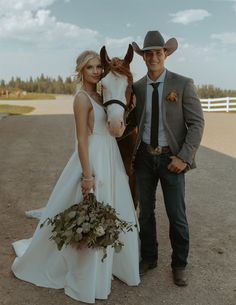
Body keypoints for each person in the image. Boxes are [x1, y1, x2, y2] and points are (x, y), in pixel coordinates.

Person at [11, 50, 140, 303]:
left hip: (109, 155)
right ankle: (88, 273)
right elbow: (81, 139)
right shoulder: (82, 98)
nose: (95, 71)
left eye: (97, 67)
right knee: (92, 210)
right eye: (89, 67)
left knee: (114, 209)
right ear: (81, 70)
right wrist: (88, 175)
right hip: (93, 157)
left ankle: (112, 264)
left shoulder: (101, 95)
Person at [130, 31, 204, 286]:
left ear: (166, 54)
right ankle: (149, 257)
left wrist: (184, 157)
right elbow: (131, 121)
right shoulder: (137, 87)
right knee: (145, 214)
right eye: (148, 53)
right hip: (143, 160)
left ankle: (179, 263)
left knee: (176, 214)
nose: (153, 57)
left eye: (158, 53)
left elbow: (196, 123)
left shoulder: (182, 84)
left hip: (171, 159)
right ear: (143, 57)